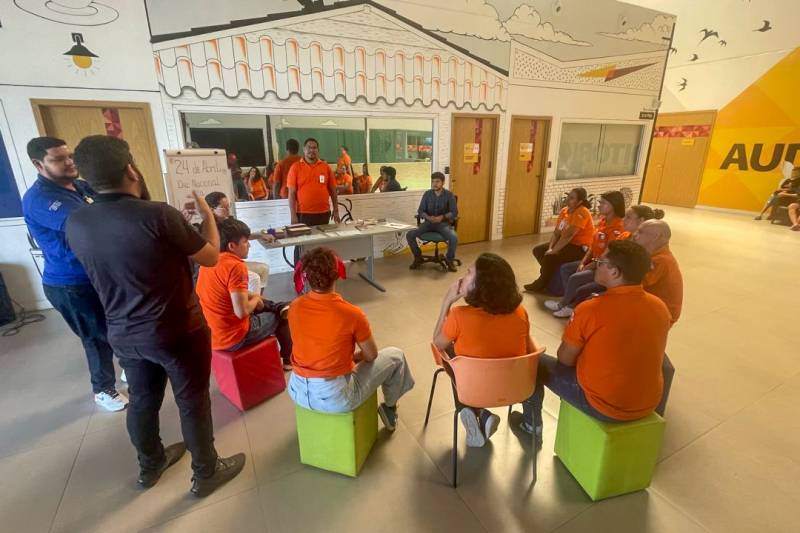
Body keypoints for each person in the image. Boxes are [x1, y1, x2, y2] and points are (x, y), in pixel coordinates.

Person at [66, 135, 245, 497]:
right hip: (176, 331)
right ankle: (206, 472)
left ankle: (150, 465)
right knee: (192, 401)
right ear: (131, 170)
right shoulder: (158, 214)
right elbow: (211, 256)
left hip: (123, 331)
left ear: (86, 177)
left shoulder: (77, 221)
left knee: (143, 399)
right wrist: (207, 217)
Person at [514, 240, 672, 442]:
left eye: (601, 261)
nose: (596, 264)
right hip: (648, 402)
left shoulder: (590, 309)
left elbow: (565, 359)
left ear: (615, 272)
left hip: (605, 405)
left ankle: (531, 425)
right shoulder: (659, 306)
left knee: (533, 362)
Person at [22, 136, 126, 412]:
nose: (69, 162)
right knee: (95, 337)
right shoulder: (40, 199)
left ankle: (128, 366)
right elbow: (93, 224)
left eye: (69, 156)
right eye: (59, 159)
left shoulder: (80, 186)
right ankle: (103, 389)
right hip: (71, 284)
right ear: (38, 164)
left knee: (115, 325)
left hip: (98, 275)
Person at [286, 247, 414, 431]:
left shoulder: (294, 306)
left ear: (306, 276)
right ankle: (390, 408)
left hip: (297, 391)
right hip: (334, 398)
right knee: (396, 355)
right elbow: (371, 355)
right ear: (336, 274)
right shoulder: (351, 313)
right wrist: (353, 358)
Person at [433, 253, 541, 447]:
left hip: (474, 391)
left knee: (451, 356)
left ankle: (475, 412)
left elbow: (437, 342)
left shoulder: (458, 316)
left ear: (481, 286)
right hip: (515, 389)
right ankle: (533, 424)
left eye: (468, 273)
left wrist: (446, 302)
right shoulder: (520, 312)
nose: (462, 277)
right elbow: (530, 354)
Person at [196, 218, 292, 366]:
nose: (249, 245)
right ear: (232, 246)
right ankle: (288, 359)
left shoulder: (208, 262)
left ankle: (279, 306)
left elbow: (226, 293)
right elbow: (242, 312)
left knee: (260, 301)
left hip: (213, 334)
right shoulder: (235, 267)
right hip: (233, 337)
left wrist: (254, 297)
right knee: (280, 318)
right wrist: (257, 298)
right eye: (246, 242)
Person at [547, 204, 666, 317]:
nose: (624, 220)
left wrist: (601, 271)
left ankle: (572, 307)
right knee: (573, 275)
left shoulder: (656, 256)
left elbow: (636, 281)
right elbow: (605, 253)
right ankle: (566, 302)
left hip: (618, 280)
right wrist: (590, 264)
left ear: (641, 221)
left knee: (584, 289)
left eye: (628, 217)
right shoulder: (624, 235)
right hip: (609, 270)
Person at [543, 191, 628, 318]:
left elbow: (607, 254)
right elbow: (592, 247)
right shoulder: (603, 222)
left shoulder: (618, 227)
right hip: (593, 260)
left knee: (575, 277)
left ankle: (569, 306)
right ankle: (568, 301)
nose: (599, 205)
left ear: (614, 205)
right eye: (600, 202)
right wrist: (583, 263)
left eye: (603, 203)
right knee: (566, 268)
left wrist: (589, 266)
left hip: (604, 265)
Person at [524, 188, 594, 292]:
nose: (568, 199)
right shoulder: (564, 211)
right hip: (567, 243)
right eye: (568, 196)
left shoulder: (582, 212)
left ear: (579, 202)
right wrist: (551, 248)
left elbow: (569, 235)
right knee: (538, 250)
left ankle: (542, 282)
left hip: (580, 247)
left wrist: (554, 251)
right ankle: (549, 276)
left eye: (572, 198)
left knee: (550, 257)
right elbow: (557, 233)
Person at [204, 192, 270, 295]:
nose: (228, 210)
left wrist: (260, 235)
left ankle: (258, 300)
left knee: (263, 269)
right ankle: (255, 300)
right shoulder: (209, 228)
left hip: (231, 263)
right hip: (221, 267)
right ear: (212, 210)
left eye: (228, 206)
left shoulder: (227, 221)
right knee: (254, 278)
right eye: (224, 208)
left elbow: (240, 236)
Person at [632, 219, 683, 325]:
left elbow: (633, 284)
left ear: (656, 237)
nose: (635, 234)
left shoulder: (660, 261)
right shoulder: (657, 255)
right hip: (652, 307)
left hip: (660, 315)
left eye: (640, 232)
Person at [406, 171, 459, 272]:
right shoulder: (427, 194)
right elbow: (420, 211)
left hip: (442, 224)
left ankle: (449, 260)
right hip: (428, 223)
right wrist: (428, 217)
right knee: (410, 235)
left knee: (453, 237)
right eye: (433, 181)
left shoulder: (449, 195)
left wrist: (442, 217)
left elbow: (454, 212)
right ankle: (418, 257)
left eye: (437, 181)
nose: (434, 184)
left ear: (443, 182)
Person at [287, 138, 340, 226]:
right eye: (309, 147)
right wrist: (293, 215)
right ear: (304, 149)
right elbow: (291, 193)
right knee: (305, 235)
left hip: (324, 213)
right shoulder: (295, 168)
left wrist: (336, 211)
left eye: (314, 148)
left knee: (323, 235)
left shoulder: (326, 167)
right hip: (303, 214)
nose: (312, 150)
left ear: (318, 150)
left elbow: (333, 191)